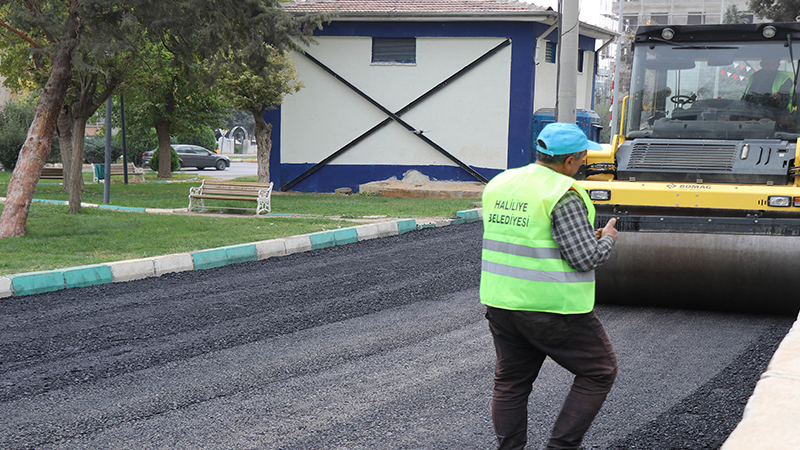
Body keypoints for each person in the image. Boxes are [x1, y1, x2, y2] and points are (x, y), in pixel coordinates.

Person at [480, 122, 619, 450]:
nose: (582, 163)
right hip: (552, 308)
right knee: (600, 371)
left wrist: (582, 237)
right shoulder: (563, 194)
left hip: (502, 303)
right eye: (582, 158)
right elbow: (585, 259)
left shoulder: (501, 183)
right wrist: (608, 239)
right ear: (570, 161)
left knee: (511, 383)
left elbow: (526, 237)